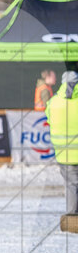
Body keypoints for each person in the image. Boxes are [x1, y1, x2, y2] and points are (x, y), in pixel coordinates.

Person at [46, 71, 78, 231]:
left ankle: (72, 215)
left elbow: (48, 118)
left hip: (63, 152)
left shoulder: (53, 102)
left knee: (70, 184)